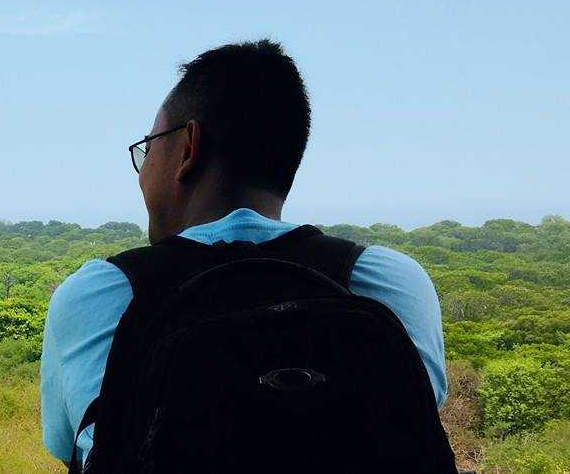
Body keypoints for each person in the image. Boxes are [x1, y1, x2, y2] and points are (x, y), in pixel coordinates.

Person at [40, 40, 448, 467]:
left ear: (187, 149)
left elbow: (74, 445)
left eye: (149, 147)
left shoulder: (101, 294)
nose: (142, 175)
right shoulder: (390, 282)